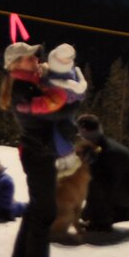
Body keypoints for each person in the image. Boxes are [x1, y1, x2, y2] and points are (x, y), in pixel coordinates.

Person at [1, 41, 80, 257]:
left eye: (35, 56)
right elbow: (55, 112)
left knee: (37, 208)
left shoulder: (30, 84)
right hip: (37, 155)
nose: (36, 60)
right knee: (45, 210)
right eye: (29, 58)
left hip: (38, 152)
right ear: (16, 64)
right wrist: (74, 101)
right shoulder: (23, 91)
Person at [77, 114, 129, 231]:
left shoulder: (108, 153)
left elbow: (106, 187)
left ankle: (103, 222)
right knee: (93, 189)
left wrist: (93, 214)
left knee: (94, 185)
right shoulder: (98, 146)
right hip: (126, 187)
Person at [42, 43, 89, 175]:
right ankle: (63, 158)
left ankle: (67, 159)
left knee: (59, 130)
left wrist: (74, 92)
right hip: (57, 106)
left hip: (64, 108)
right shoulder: (59, 70)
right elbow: (48, 81)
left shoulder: (69, 72)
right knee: (57, 130)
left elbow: (77, 94)